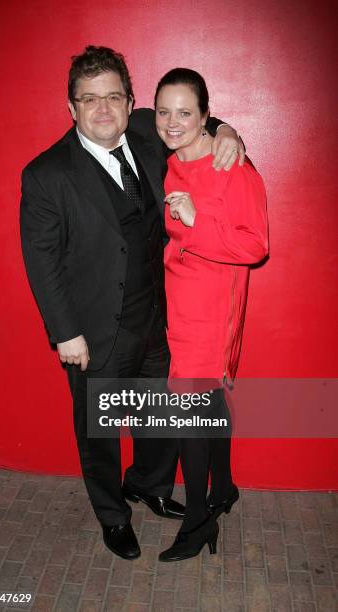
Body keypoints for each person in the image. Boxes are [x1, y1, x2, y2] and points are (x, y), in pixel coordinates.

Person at [20, 46, 244, 560]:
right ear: (71, 107)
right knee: (99, 430)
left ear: (130, 101)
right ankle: (112, 515)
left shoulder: (146, 132)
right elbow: (42, 260)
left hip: (156, 320)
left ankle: (147, 483)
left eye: (113, 97)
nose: (103, 109)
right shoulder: (46, 174)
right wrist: (65, 332)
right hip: (94, 331)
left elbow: (192, 115)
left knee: (157, 416)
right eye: (89, 99)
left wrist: (227, 131)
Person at [154, 68, 269, 561]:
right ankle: (223, 488)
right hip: (179, 306)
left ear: (206, 116)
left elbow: (255, 246)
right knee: (207, 409)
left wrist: (197, 223)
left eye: (185, 112)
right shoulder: (174, 160)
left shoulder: (233, 168)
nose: (172, 121)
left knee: (187, 417)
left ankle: (198, 520)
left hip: (209, 316)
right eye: (164, 111)